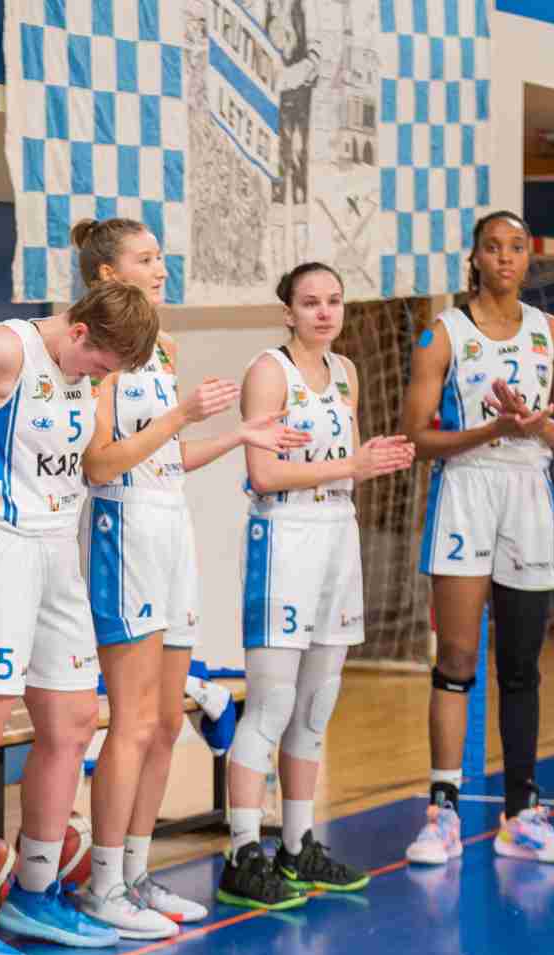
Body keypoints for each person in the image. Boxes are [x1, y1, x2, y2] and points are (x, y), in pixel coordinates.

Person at [0, 282, 161, 955]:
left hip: (57, 545)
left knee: (75, 722)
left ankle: (35, 890)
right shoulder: (5, 350)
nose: (100, 379)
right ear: (78, 334)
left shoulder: (83, 364)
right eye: (100, 365)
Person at [74, 217, 307, 940]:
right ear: (108, 274)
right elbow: (100, 462)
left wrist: (237, 436)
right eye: (146, 258)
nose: (161, 268)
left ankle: (136, 873)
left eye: (160, 257)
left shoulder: (165, 347)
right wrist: (181, 413)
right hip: (124, 530)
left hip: (170, 527)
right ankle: (103, 884)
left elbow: (165, 455)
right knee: (133, 720)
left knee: (167, 721)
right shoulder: (94, 352)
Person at [216, 262, 413, 910]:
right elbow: (264, 474)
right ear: (289, 312)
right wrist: (351, 463)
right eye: (310, 302)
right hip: (285, 536)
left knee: (316, 705)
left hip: (336, 534)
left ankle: (297, 845)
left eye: (333, 301)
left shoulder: (346, 372)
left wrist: (368, 463)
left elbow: (346, 467)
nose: (325, 312)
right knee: (270, 705)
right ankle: (242, 852)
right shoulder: (269, 372)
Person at [402, 210, 554, 867]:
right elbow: (416, 438)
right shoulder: (443, 334)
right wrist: (491, 430)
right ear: (476, 258)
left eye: (516, 247)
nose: (505, 257)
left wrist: (535, 426)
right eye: (493, 247)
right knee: (457, 656)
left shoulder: (551, 332)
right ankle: (443, 814)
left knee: (520, 664)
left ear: (528, 258)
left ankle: (522, 815)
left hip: (527, 491)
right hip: (467, 488)